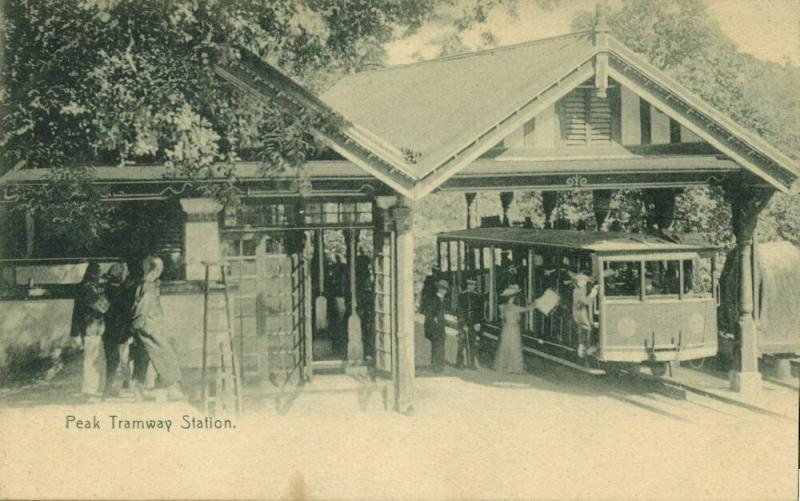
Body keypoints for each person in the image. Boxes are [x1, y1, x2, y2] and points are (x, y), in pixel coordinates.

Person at [130, 256, 185, 401]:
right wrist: (136, 327)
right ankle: (173, 389)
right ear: (156, 269)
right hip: (150, 329)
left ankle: (138, 391)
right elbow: (141, 310)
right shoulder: (149, 287)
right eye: (160, 268)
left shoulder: (145, 284)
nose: (161, 271)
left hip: (146, 327)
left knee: (142, 357)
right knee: (166, 355)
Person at [70, 262, 109, 402]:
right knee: (92, 361)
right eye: (98, 273)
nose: (99, 276)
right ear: (93, 273)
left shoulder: (86, 287)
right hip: (92, 329)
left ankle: (93, 390)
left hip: (92, 329)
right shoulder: (88, 289)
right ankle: (90, 392)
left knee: (94, 360)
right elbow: (103, 307)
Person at [103, 262, 134, 397]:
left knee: (119, 358)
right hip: (117, 329)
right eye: (124, 273)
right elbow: (124, 310)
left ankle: (121, 384)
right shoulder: (116, 291)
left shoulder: (109, 288)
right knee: (117, 359)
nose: (126, 275)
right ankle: (108, 388)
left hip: (113, 329)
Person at [493, 284, 535, 374]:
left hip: (506, 328)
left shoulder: (502, 307)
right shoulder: (514, 307)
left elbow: (502, 319)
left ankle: (502, 366)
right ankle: (515, 368)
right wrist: (536, 304)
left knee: (504, 346)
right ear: (512, 298)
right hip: (514, 328)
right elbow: (527, 309)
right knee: (515, 347)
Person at [456, 278, 483, 369]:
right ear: (467, 285)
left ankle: (471, 363)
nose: (472, 287)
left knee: (473, 343)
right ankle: (459, 363)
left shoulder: (477, 296)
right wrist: (463, 323)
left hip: (474, 323)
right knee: (462, 342)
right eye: (470, 285)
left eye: (473, 285)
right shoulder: (462, 295)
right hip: (464, 322)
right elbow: (460, 310)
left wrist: (478, 323)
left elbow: (479, 311)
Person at [572, 273, 600, 358]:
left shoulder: (581, 289)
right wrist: (592, 294)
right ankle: (587, 349)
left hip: (580, 311)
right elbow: (584, 302)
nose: (582, 282)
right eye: (580, 281)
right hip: (580, 312)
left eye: (584, 281)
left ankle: (583, 348)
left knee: (586, 328)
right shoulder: (578, 291)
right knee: (587, 327)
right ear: (577, 281)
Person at [429, 280, 449, 372]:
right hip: (436, 327)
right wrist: (435, 320)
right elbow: (430, 313)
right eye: (444, 289)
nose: (445, 291)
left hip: (441, 327)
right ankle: (436, 366)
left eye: (446, 290)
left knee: (440, 346)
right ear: (440, 289)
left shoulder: (442, 299)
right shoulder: (435, 299)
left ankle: (439, 365)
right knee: (437, 346)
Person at [420, 264, 440, 342]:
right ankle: (429, 334)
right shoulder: (430, 279)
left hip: (432, 301)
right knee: (429, 317)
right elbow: (426, 291)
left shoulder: (434, 279)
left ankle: (430, 333)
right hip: (429, 301)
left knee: (431, 317)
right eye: (435, 270)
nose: (436, 272)